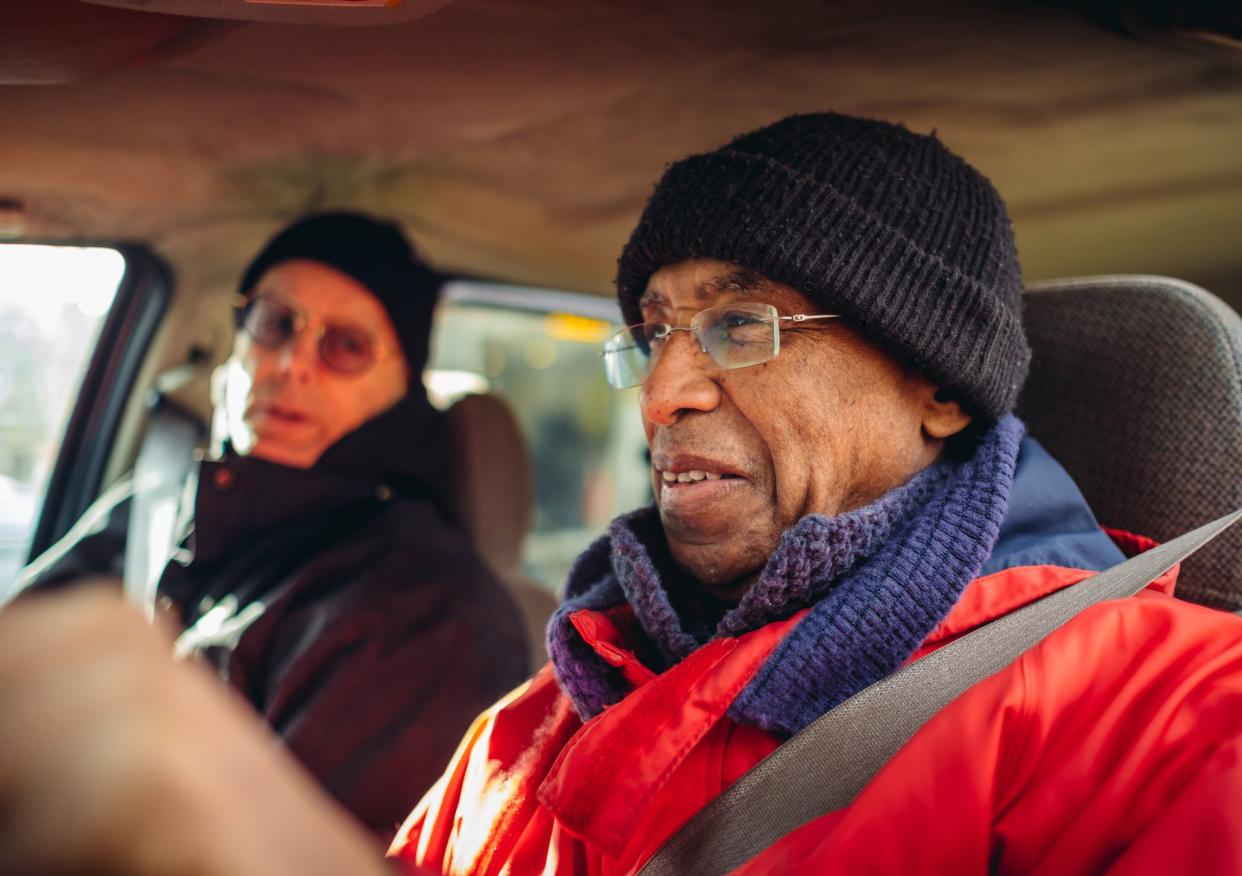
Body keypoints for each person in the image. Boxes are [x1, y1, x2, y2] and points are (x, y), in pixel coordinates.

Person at [0, 115, 1239, 876]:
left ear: (941, 386)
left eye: (742, 324)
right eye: (653, 334)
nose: (662, 397)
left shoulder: (1179, 729)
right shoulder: (532, 723)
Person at [9, 211, 530, 840]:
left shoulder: (429, 617)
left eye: (345, 346)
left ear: (401, 387)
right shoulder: (156, 502)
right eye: (274, 323)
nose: (291, 364)